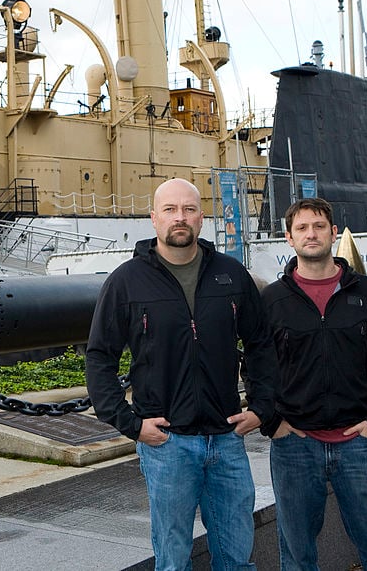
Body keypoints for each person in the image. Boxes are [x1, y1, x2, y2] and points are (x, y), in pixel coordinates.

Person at [85, 178, 277, 571]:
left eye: (188, 209)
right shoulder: (126, 281)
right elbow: (99, 357)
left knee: (237, 558)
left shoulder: (230, 274)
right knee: (173, 561)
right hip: (167, 444)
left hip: (226, 439)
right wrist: (130, 424)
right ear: (154, 218)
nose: (180, 218)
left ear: (201, 218)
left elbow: (261, 344)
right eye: (170, 210)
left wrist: (262, 407)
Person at [260, 198, 367, 570]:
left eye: (319, 226)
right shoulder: (272, 300)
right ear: (289, 239)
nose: (312, 234)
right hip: (294, 445)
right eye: (302, 228)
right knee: (296, 557)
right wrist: (271, 423)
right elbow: (255, 366)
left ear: (333, 232)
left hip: (358, 442)